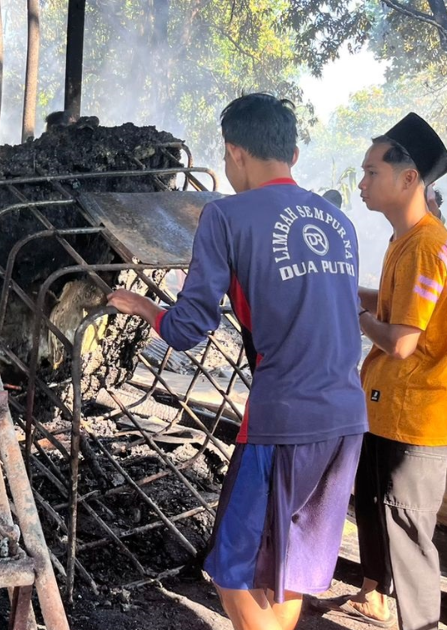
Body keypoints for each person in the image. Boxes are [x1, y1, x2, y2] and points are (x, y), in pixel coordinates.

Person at [107, 94, 367, 630]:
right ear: (291, 153)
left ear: (234, 152)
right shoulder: (337, 220)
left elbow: (186, 329)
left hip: (282, 417)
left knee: (230, 568)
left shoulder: (225, 215)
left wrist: (141, 305)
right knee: (289, 565)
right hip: (345, 418)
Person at [316, 113, 447, 630]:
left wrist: (352, 315)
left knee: (407, 529)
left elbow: (402, 340)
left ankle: (420, 622)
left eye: (371, 171)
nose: (361, 183)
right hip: (386, 406)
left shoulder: (426, 246)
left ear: (408, 179)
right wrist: (348, 289)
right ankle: (372, 597)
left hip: (416, 416)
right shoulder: (406, 239)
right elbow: (397, 303)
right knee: (375, 506)